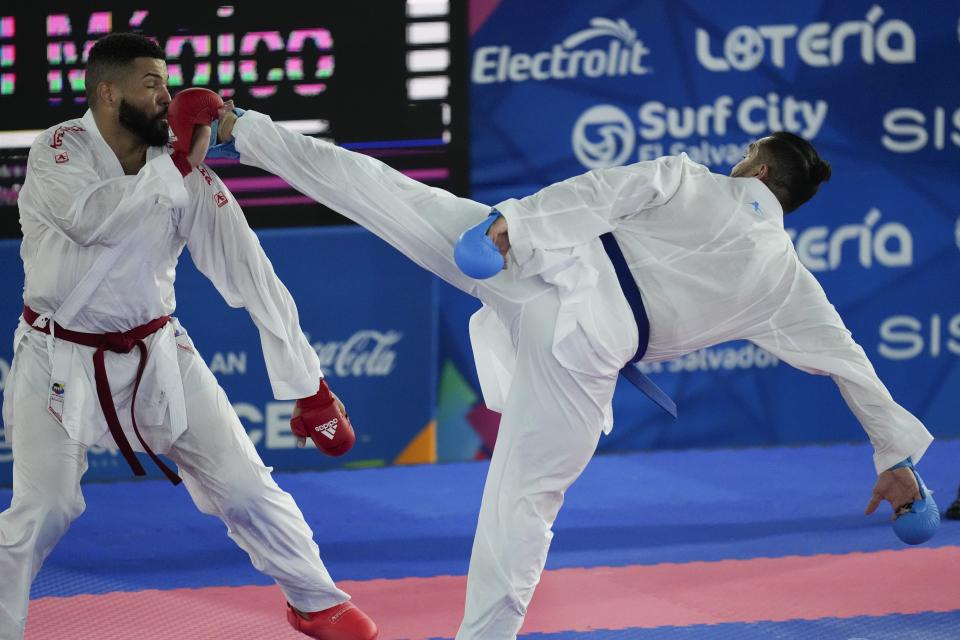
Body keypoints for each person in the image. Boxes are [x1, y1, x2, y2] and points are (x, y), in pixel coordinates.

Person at [210, 102, 934, 639]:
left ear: (761, 169)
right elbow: (851, 365)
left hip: (539, 266)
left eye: (747, 154)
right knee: (524, 503)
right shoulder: (788, 283)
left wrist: (510, 227)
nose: (738, 159)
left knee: (388, 194)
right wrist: (895, 460)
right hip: (589, 349)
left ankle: (239, 128)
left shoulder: (688, 177)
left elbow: (599, 193)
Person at [0, 35, 377, 640]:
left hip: (156, 351)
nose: (166, 97)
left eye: (167, 84)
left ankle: (316, 601)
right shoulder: (57, 149)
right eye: (151, 83)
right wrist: (175, 165)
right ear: (107, 91)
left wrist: (310, 387)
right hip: (57, 354)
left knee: (246, 485)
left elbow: (251, 272)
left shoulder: (184, 172)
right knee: (44, 508)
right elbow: (91, 222)